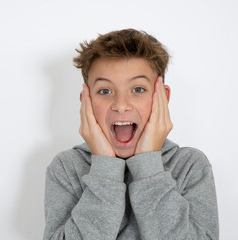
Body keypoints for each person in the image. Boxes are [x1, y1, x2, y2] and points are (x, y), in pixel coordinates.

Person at [43, 29, 219, 240]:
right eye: (105, 91)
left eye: (137, 89)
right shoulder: (66, 167)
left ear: (162, 97)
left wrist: (148, 166)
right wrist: (105, 168)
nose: (121, 105)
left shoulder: (190, 166)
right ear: (85, 101)